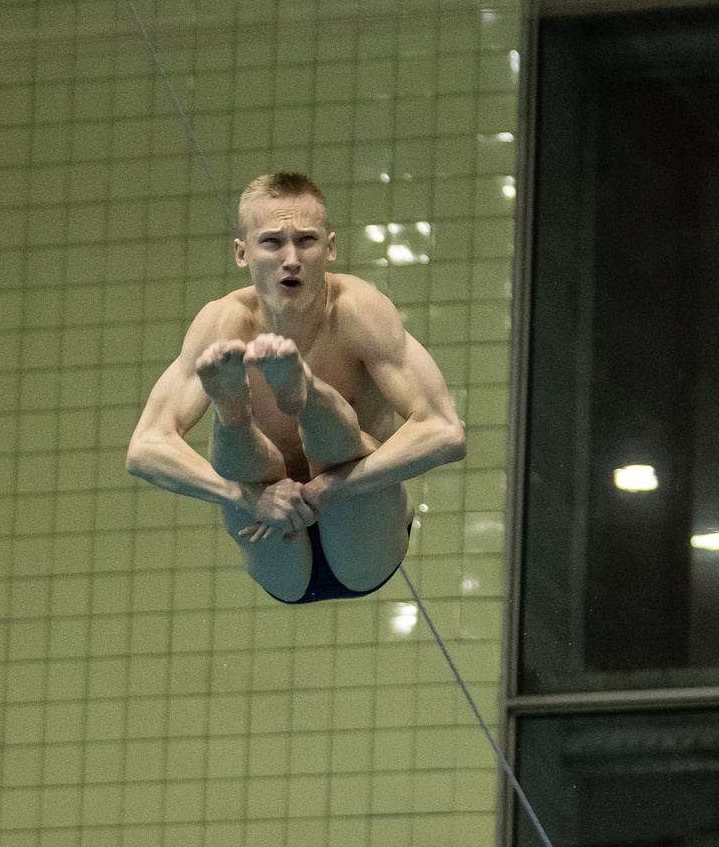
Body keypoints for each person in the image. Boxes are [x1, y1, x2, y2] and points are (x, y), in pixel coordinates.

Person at [124, 171, 466, 605]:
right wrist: (246, 497)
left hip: (363, 525)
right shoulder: (222, 323)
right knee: (243, 460)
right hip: (272, 527)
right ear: (242, 253)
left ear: (331, 248)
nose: (291, 259)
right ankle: (234, 415)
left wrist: (336, 486)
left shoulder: (358, 311)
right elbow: (145, 449)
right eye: (272, 242)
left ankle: (304, 392)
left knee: (338, 444)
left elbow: (446, 433)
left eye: (306, 241)